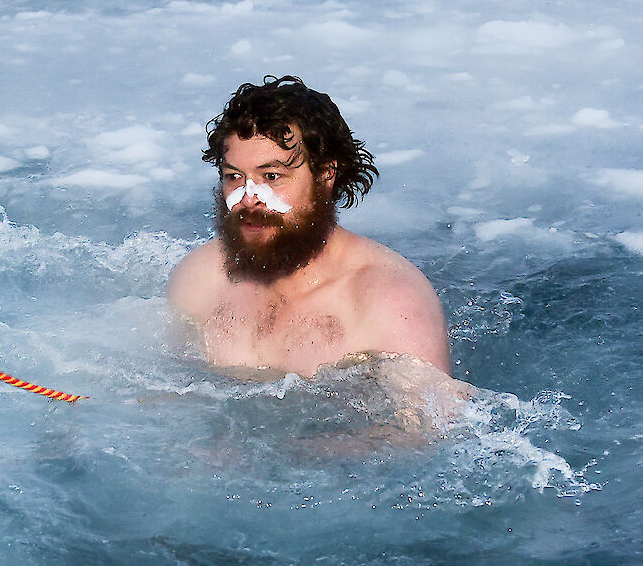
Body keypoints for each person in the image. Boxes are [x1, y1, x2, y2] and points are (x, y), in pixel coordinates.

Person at [167, 76, 453, 390]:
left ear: (326, 175)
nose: (248, 198)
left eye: (272, 176)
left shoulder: (390, 301)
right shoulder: (200, 278)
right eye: (234, 176)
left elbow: (422, 433)